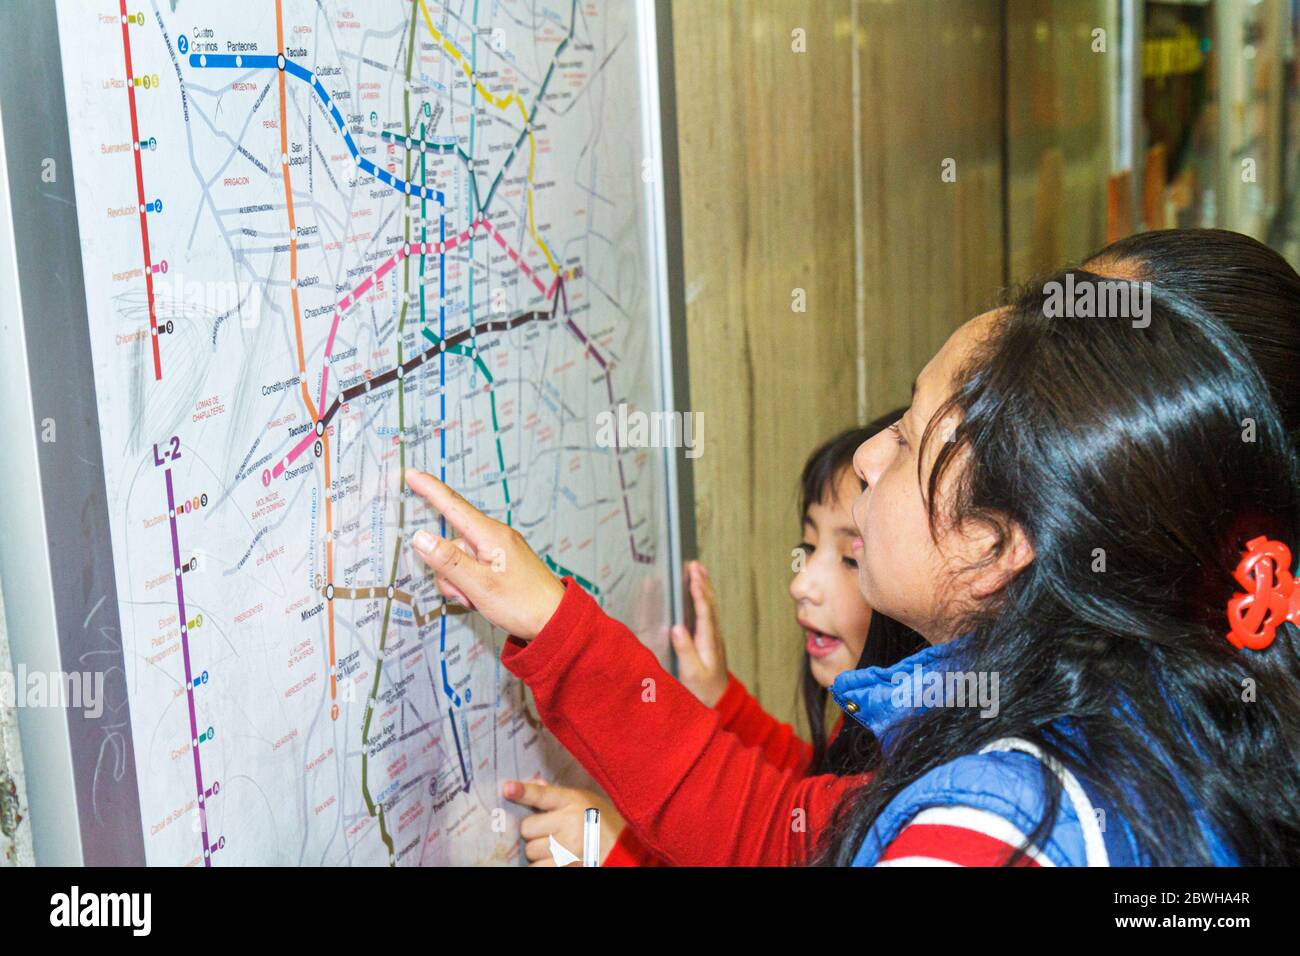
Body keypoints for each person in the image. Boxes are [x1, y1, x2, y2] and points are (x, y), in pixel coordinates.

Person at [407, 230, 1300, 865]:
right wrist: (560, 625)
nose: (871, 456)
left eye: (911, 438)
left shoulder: (991, 835)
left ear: (1004, 543)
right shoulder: (1164, 714)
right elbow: (790, 830)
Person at [500, 418, 921, 865]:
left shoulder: (919, 785)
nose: (802, 585)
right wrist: (726, 705)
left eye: (851, 558)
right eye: (809, 546)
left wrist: (619, 853)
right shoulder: (882, 725)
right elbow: (808, 804)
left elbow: (790, 840)